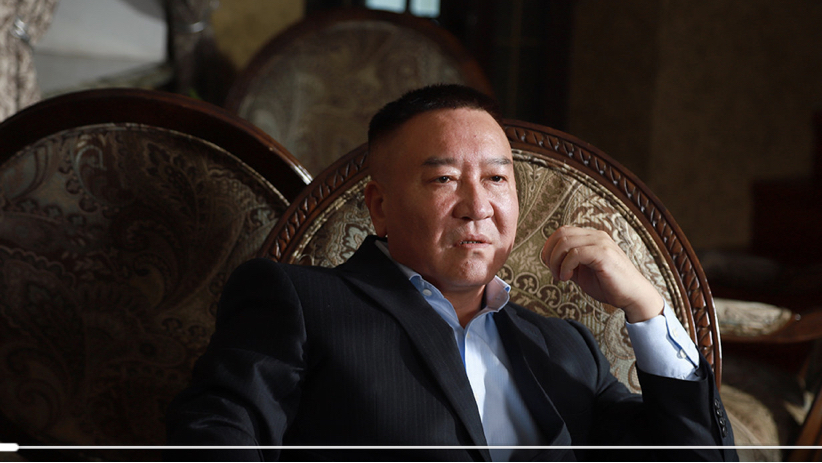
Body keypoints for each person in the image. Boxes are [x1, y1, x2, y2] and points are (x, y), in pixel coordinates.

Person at [166, 84, 737, 461]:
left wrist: (647, 308)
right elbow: (215, 436)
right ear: (380, 206)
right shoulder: (300, 302)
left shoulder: (566, 350)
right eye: (443, 179)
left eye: (496, 179)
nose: (477, 206)